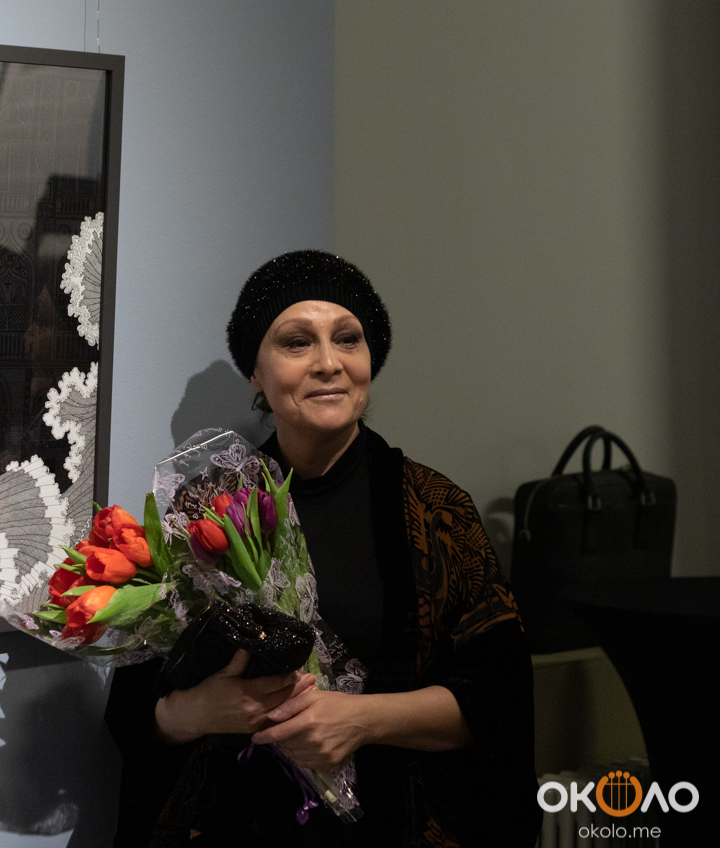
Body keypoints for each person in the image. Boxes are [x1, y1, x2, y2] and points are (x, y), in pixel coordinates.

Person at [105, 251, 539, 847]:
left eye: (348, 339)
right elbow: (132, 709)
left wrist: (359, 721)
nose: (329, 363)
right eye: (296, 342)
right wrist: (198, 711)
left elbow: (498, 702)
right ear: (256, 374)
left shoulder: (437, 512)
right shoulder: (205, 511)